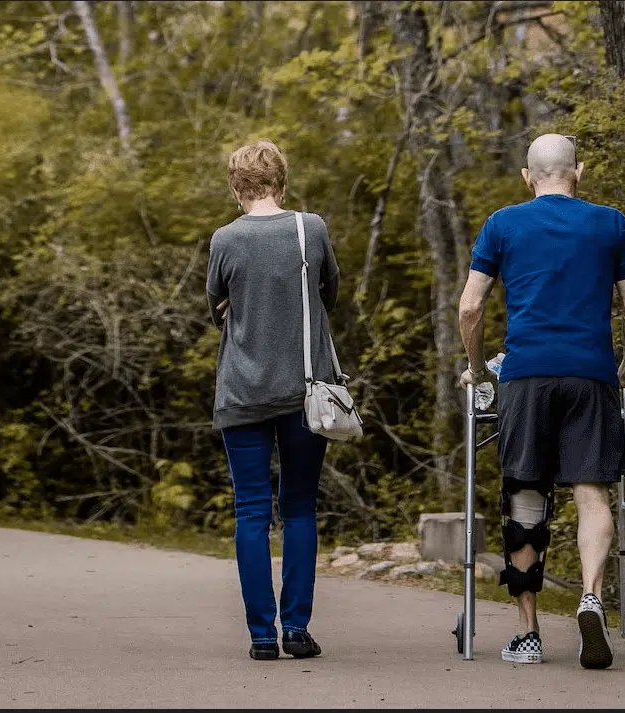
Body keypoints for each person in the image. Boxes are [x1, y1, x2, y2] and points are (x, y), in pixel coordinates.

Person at [456, 133, 625, 669]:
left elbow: (470, 310)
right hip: (591, 374)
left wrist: (476, 370)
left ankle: (528, 634)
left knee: (525, 496)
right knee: (593, 494)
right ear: (578, 172)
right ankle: (591, 596)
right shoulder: (611, 222)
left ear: (527, 176)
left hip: (527, 375)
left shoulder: (502, 224)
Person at [205, 139, 340, 661]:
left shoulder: (224, 239)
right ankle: (298, 629)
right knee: (300, 507)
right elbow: (330, 294)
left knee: (251, 512)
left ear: (236, 187)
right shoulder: (313, 228)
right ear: (282, 183)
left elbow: (214, 305)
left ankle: (262, 636)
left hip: (241, 391)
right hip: (306, 390)